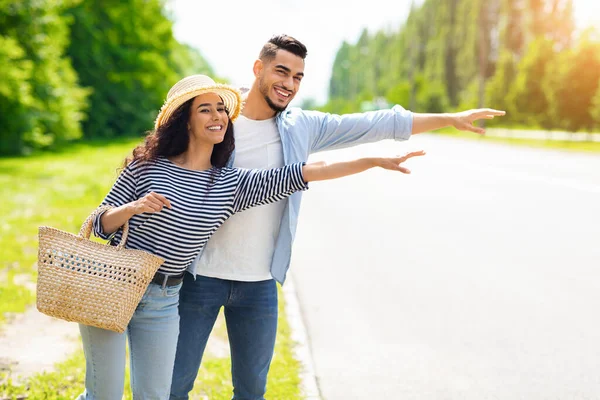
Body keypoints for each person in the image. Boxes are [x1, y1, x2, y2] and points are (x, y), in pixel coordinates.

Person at [170, 35, 505, 400]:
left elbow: (376, 123)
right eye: (282, 71)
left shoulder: (301, 126)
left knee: (252, 392)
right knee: (172, 386)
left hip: (260, 283)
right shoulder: (220, 117)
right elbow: (170, 160)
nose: (289, 84)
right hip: (199, 274)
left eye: (298, 77)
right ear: (258, 69)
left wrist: (450, 119)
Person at [75, 74, 425, 399]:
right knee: (103, 394)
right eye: (205, 109)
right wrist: (133, 208)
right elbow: (99, 224)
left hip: (165, 300)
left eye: (221, 109)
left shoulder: (229, 184)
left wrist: (374, 160)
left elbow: (308, 172)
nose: (218, 116)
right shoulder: (146, 166)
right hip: (114, 285)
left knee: (156, 395)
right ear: (185, 119)